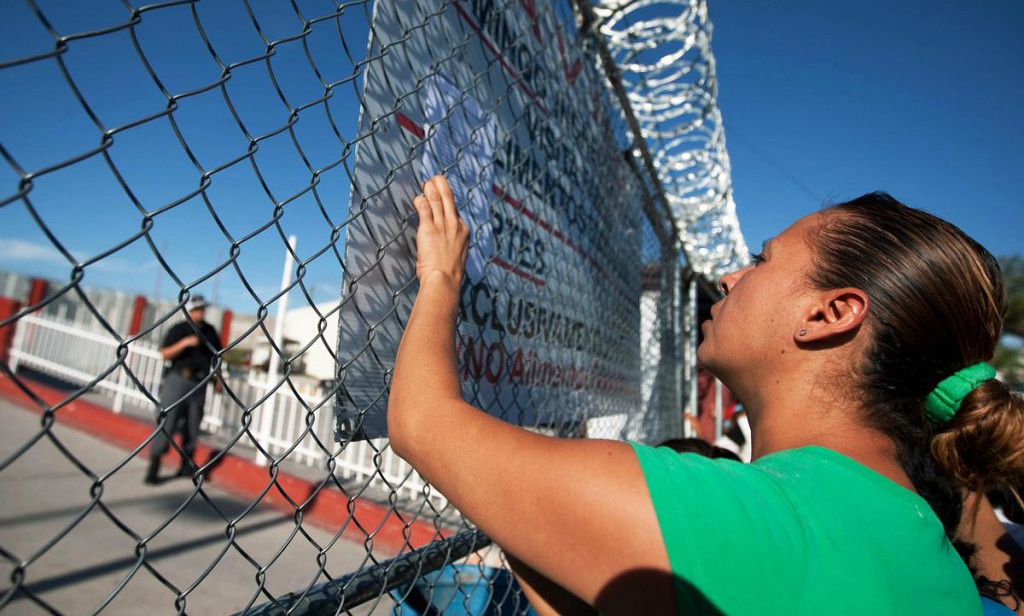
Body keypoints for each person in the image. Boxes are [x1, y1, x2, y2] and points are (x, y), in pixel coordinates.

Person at [388, 176, 1024, 614]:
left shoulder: (754, 520)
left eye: (762, 259)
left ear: (830, 313)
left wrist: (442, 276)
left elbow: (420, 422)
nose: (730, 276)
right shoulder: (922, 532)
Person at [144, 295, 222, 484]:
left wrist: (218, 378)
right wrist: (185, 343)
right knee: (167, 421)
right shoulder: (179, 329)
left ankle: (186, 464)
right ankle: (154, 465)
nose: (200, 313)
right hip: (179, 379)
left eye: (202, 309)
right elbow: (164, 353)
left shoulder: (210, 331)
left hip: (199, 382)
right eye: (196, 309)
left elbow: (217, 357)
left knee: (193, 423)